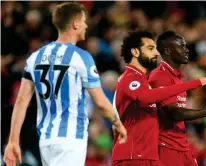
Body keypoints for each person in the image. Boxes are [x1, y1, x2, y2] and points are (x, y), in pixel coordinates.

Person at [3, 2, 127, 166]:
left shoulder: (35, 57)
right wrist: (118, 124)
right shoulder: (81, 57)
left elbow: (21, 101)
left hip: (46, 140)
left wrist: (13, 140)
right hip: (70, 139)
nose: (86, 25)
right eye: (83, 21)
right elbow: (101, 102)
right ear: (75, 24)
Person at [112, 30, 206, 166]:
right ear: (135, 52)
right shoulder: (130, 77)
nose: (157, 53)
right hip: (132, 156)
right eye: (150, 48)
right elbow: (146, 98)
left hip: (147, 155)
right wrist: (193, 84)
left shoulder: (144, 81)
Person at [148, 31, 206, 166]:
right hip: (169, 146)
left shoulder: (180, 80)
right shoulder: (161, 77)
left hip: (189, 145)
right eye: (181, 47)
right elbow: (176, 114)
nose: (186, 50)